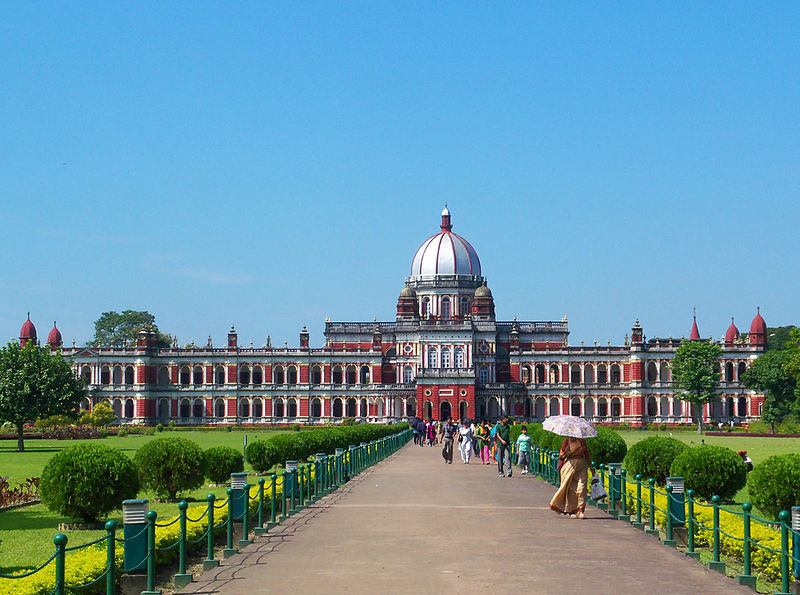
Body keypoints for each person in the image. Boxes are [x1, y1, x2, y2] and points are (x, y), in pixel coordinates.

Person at [549, 436, 593, 519]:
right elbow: (560, 456)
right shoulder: (566, 442)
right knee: (570, 489)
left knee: (582, 488)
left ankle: (580, 510)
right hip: (569, 466)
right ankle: (571, 511)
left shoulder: (582, 441)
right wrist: (567, 452)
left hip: (581, 466)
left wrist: (591, 467)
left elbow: (587, 454)